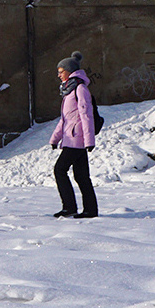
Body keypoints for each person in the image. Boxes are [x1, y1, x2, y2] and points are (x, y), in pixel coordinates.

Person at [47, 52, 98, 219]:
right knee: (81, 176)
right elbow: (65, 120)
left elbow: (86, 115)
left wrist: (89, 141)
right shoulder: (69, 90)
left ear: (70, 71)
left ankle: (69, 207)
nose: (58, 74)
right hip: (71, 138)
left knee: (59, 169)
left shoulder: (80, 88)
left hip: (78, 139)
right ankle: (90, 210)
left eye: (61, 71)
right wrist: (55, 139)